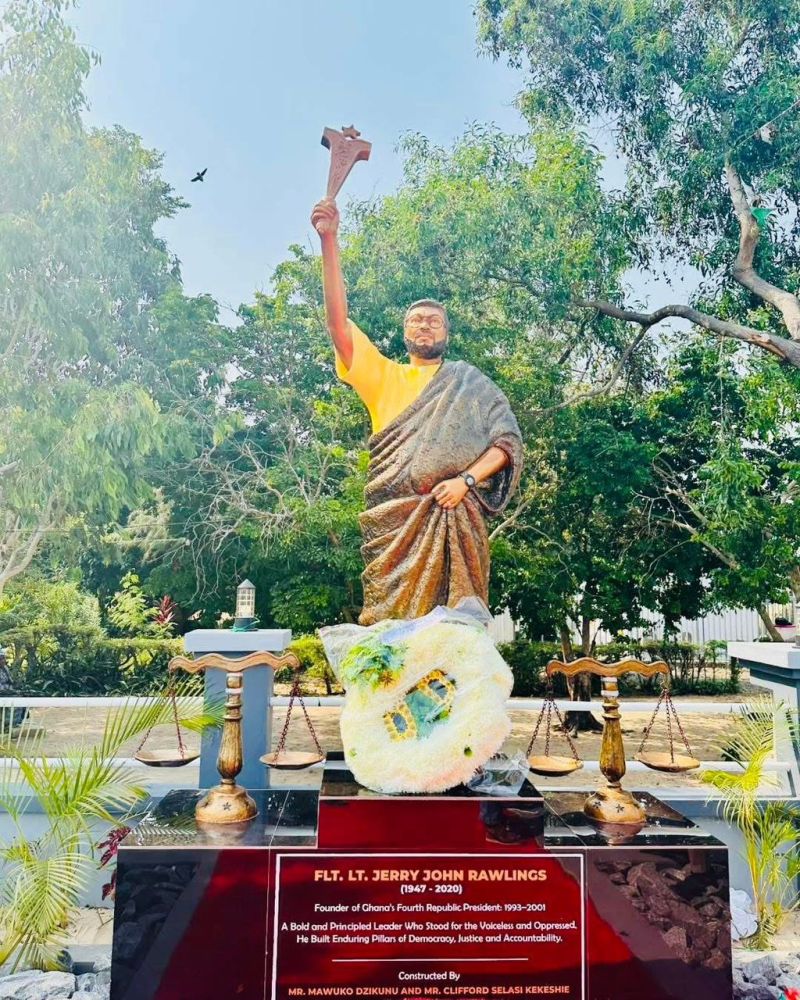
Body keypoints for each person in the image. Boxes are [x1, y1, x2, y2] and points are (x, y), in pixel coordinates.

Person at [311, 197, 523, 625]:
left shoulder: (470, 383)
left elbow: (507, 443)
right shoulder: (382, 376)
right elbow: (337, 324)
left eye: (434, 321)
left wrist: (465, 481)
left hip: (454, 518)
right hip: (393, 527)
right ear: (404, 331)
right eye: (416, 320)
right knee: (391, 630)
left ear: (446, 333)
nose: (425, 324)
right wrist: (329, 241)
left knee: (454, 629)